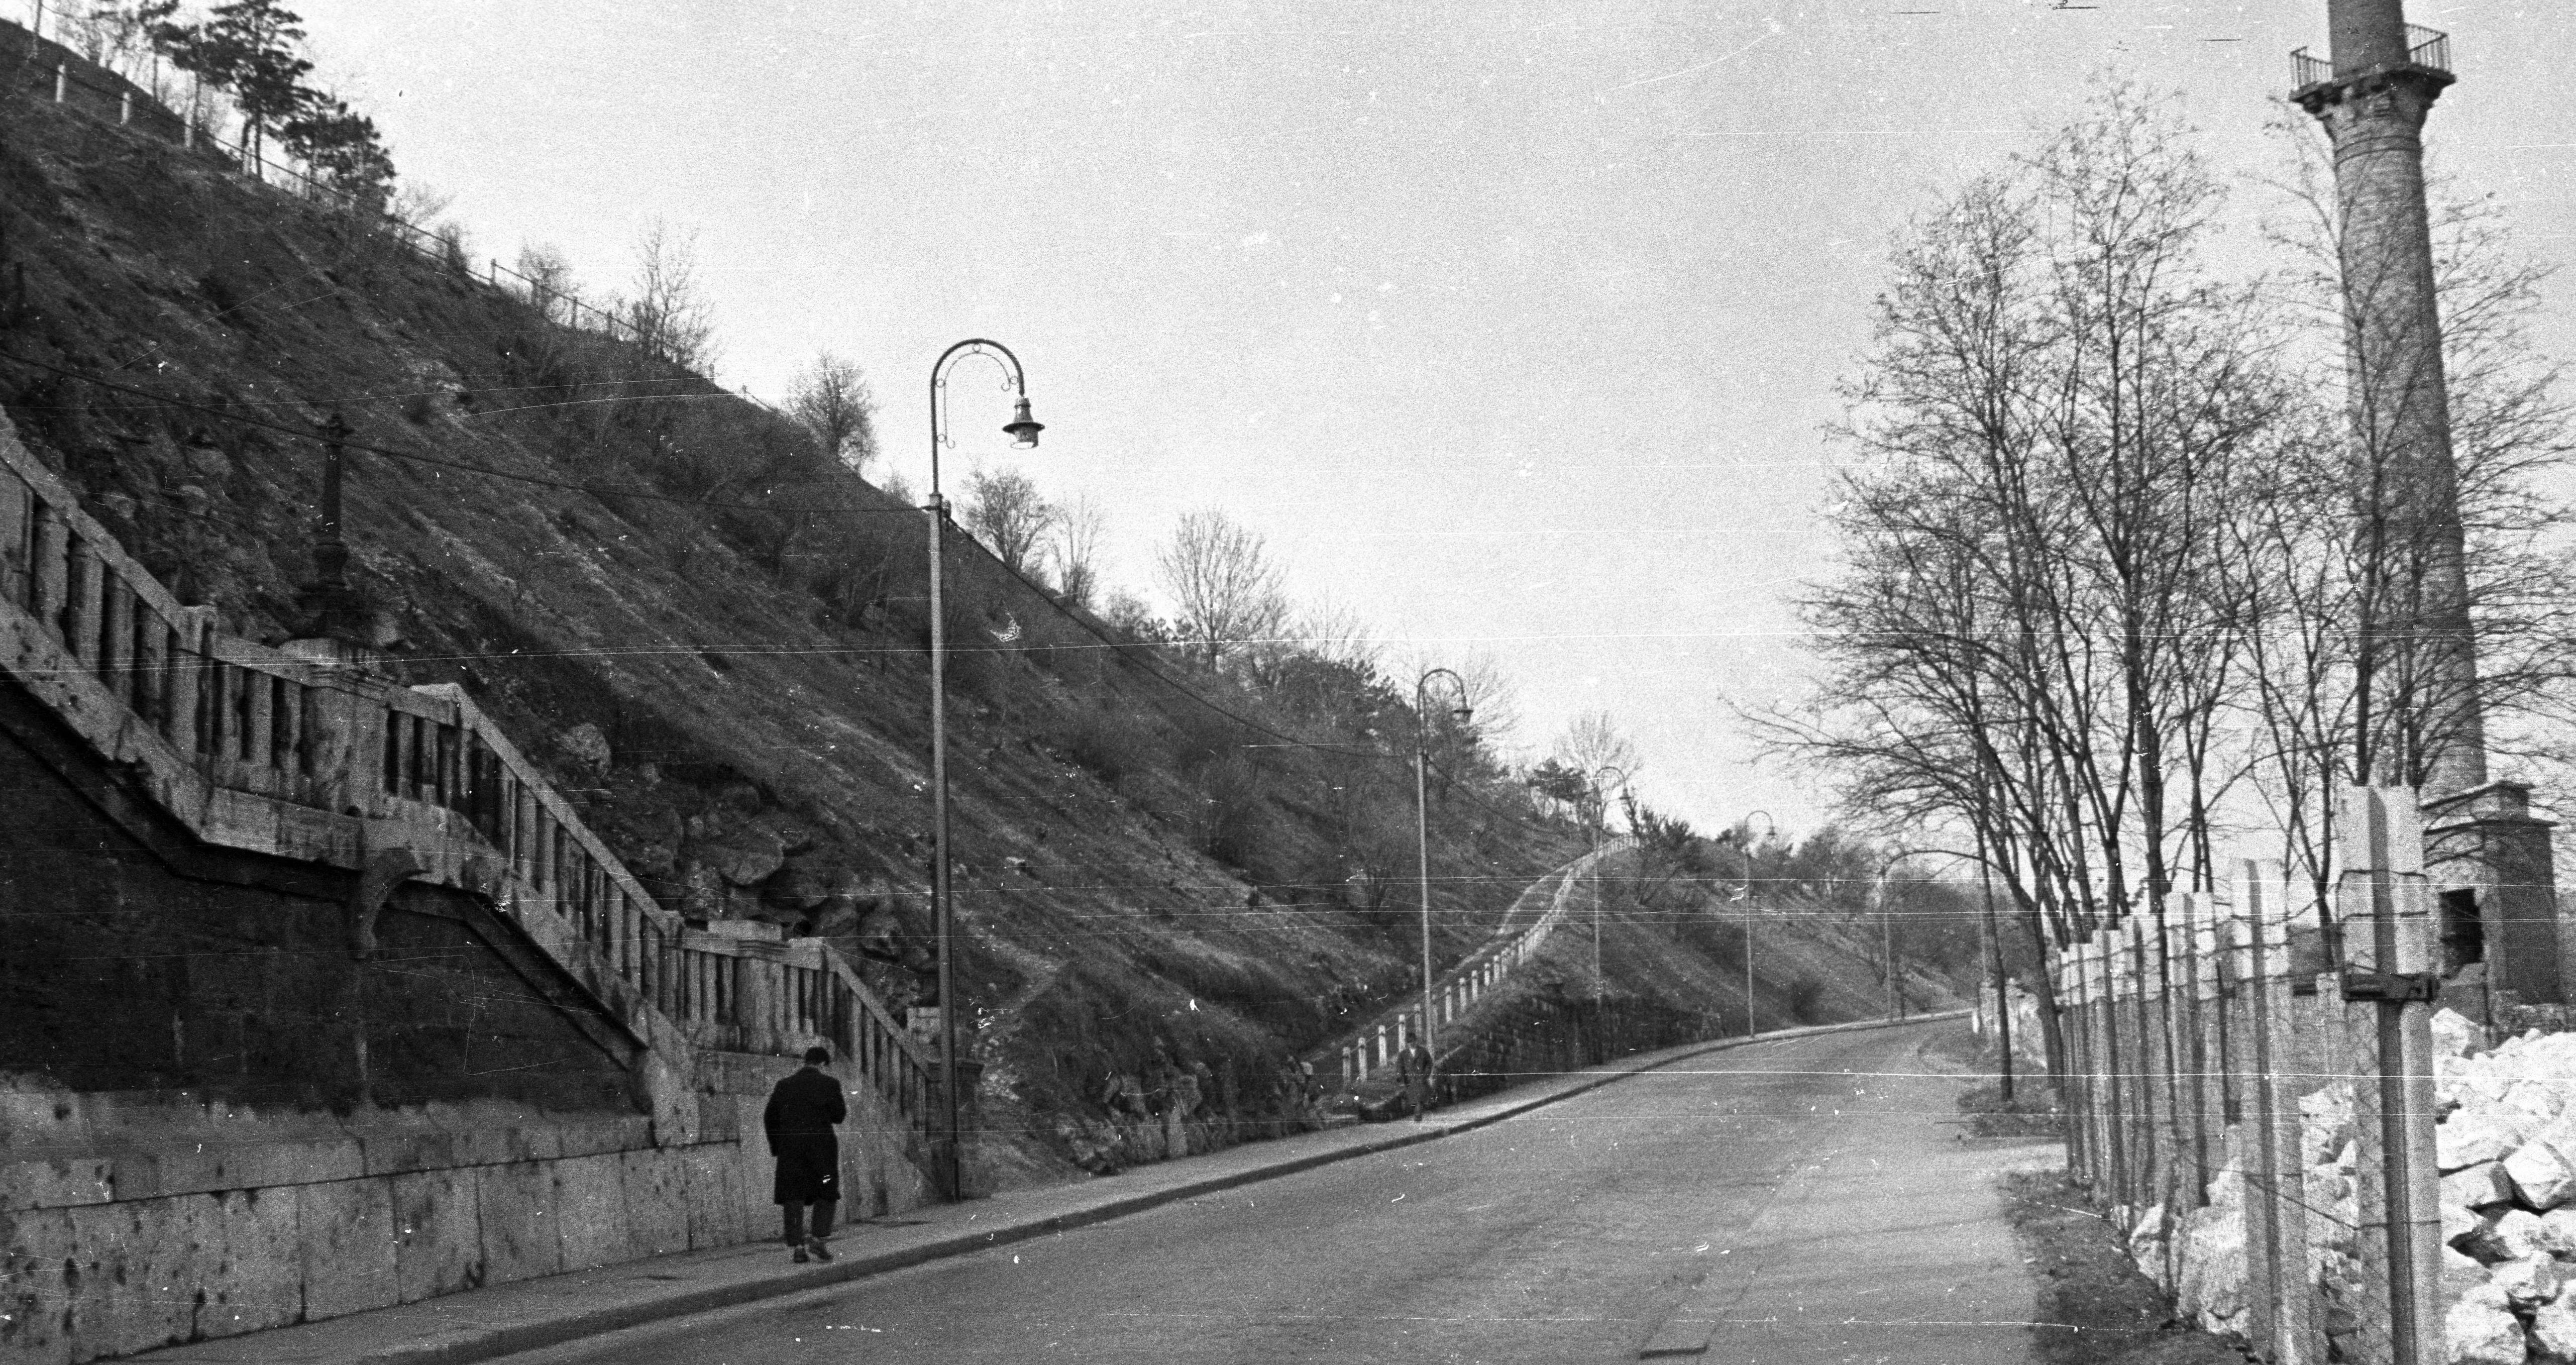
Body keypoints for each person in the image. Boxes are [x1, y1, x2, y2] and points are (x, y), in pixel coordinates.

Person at [765, 1045, 847, 1264]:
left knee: (793, 1195)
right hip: (822, 1149)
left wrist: (777, 1146)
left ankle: (798, 1247)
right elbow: (839, 1116)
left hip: (792, 1149)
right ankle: (819, 1238)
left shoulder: (784, 1086)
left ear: (805, 1062)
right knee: (826, 1192)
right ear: (822, 1064)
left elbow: (769, 1117)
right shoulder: (830, 1085)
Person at [1398, 1038, 1436, 1123]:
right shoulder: (1403, 1054)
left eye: (1413, 1041)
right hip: (1409, 1080)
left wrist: (1426, 1075)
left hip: (1421, 1079)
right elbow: (1400, 1066)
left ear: (1416, 1042)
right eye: (1409, 1042)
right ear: (1407, 1043)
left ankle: (1418, 1116)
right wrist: (1401, 1077)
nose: (1411, 1044)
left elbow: (1429, 1064)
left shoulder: (1423, 1051)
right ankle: (1417, 1114)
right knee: (1413, 1099)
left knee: (1419, 1098)